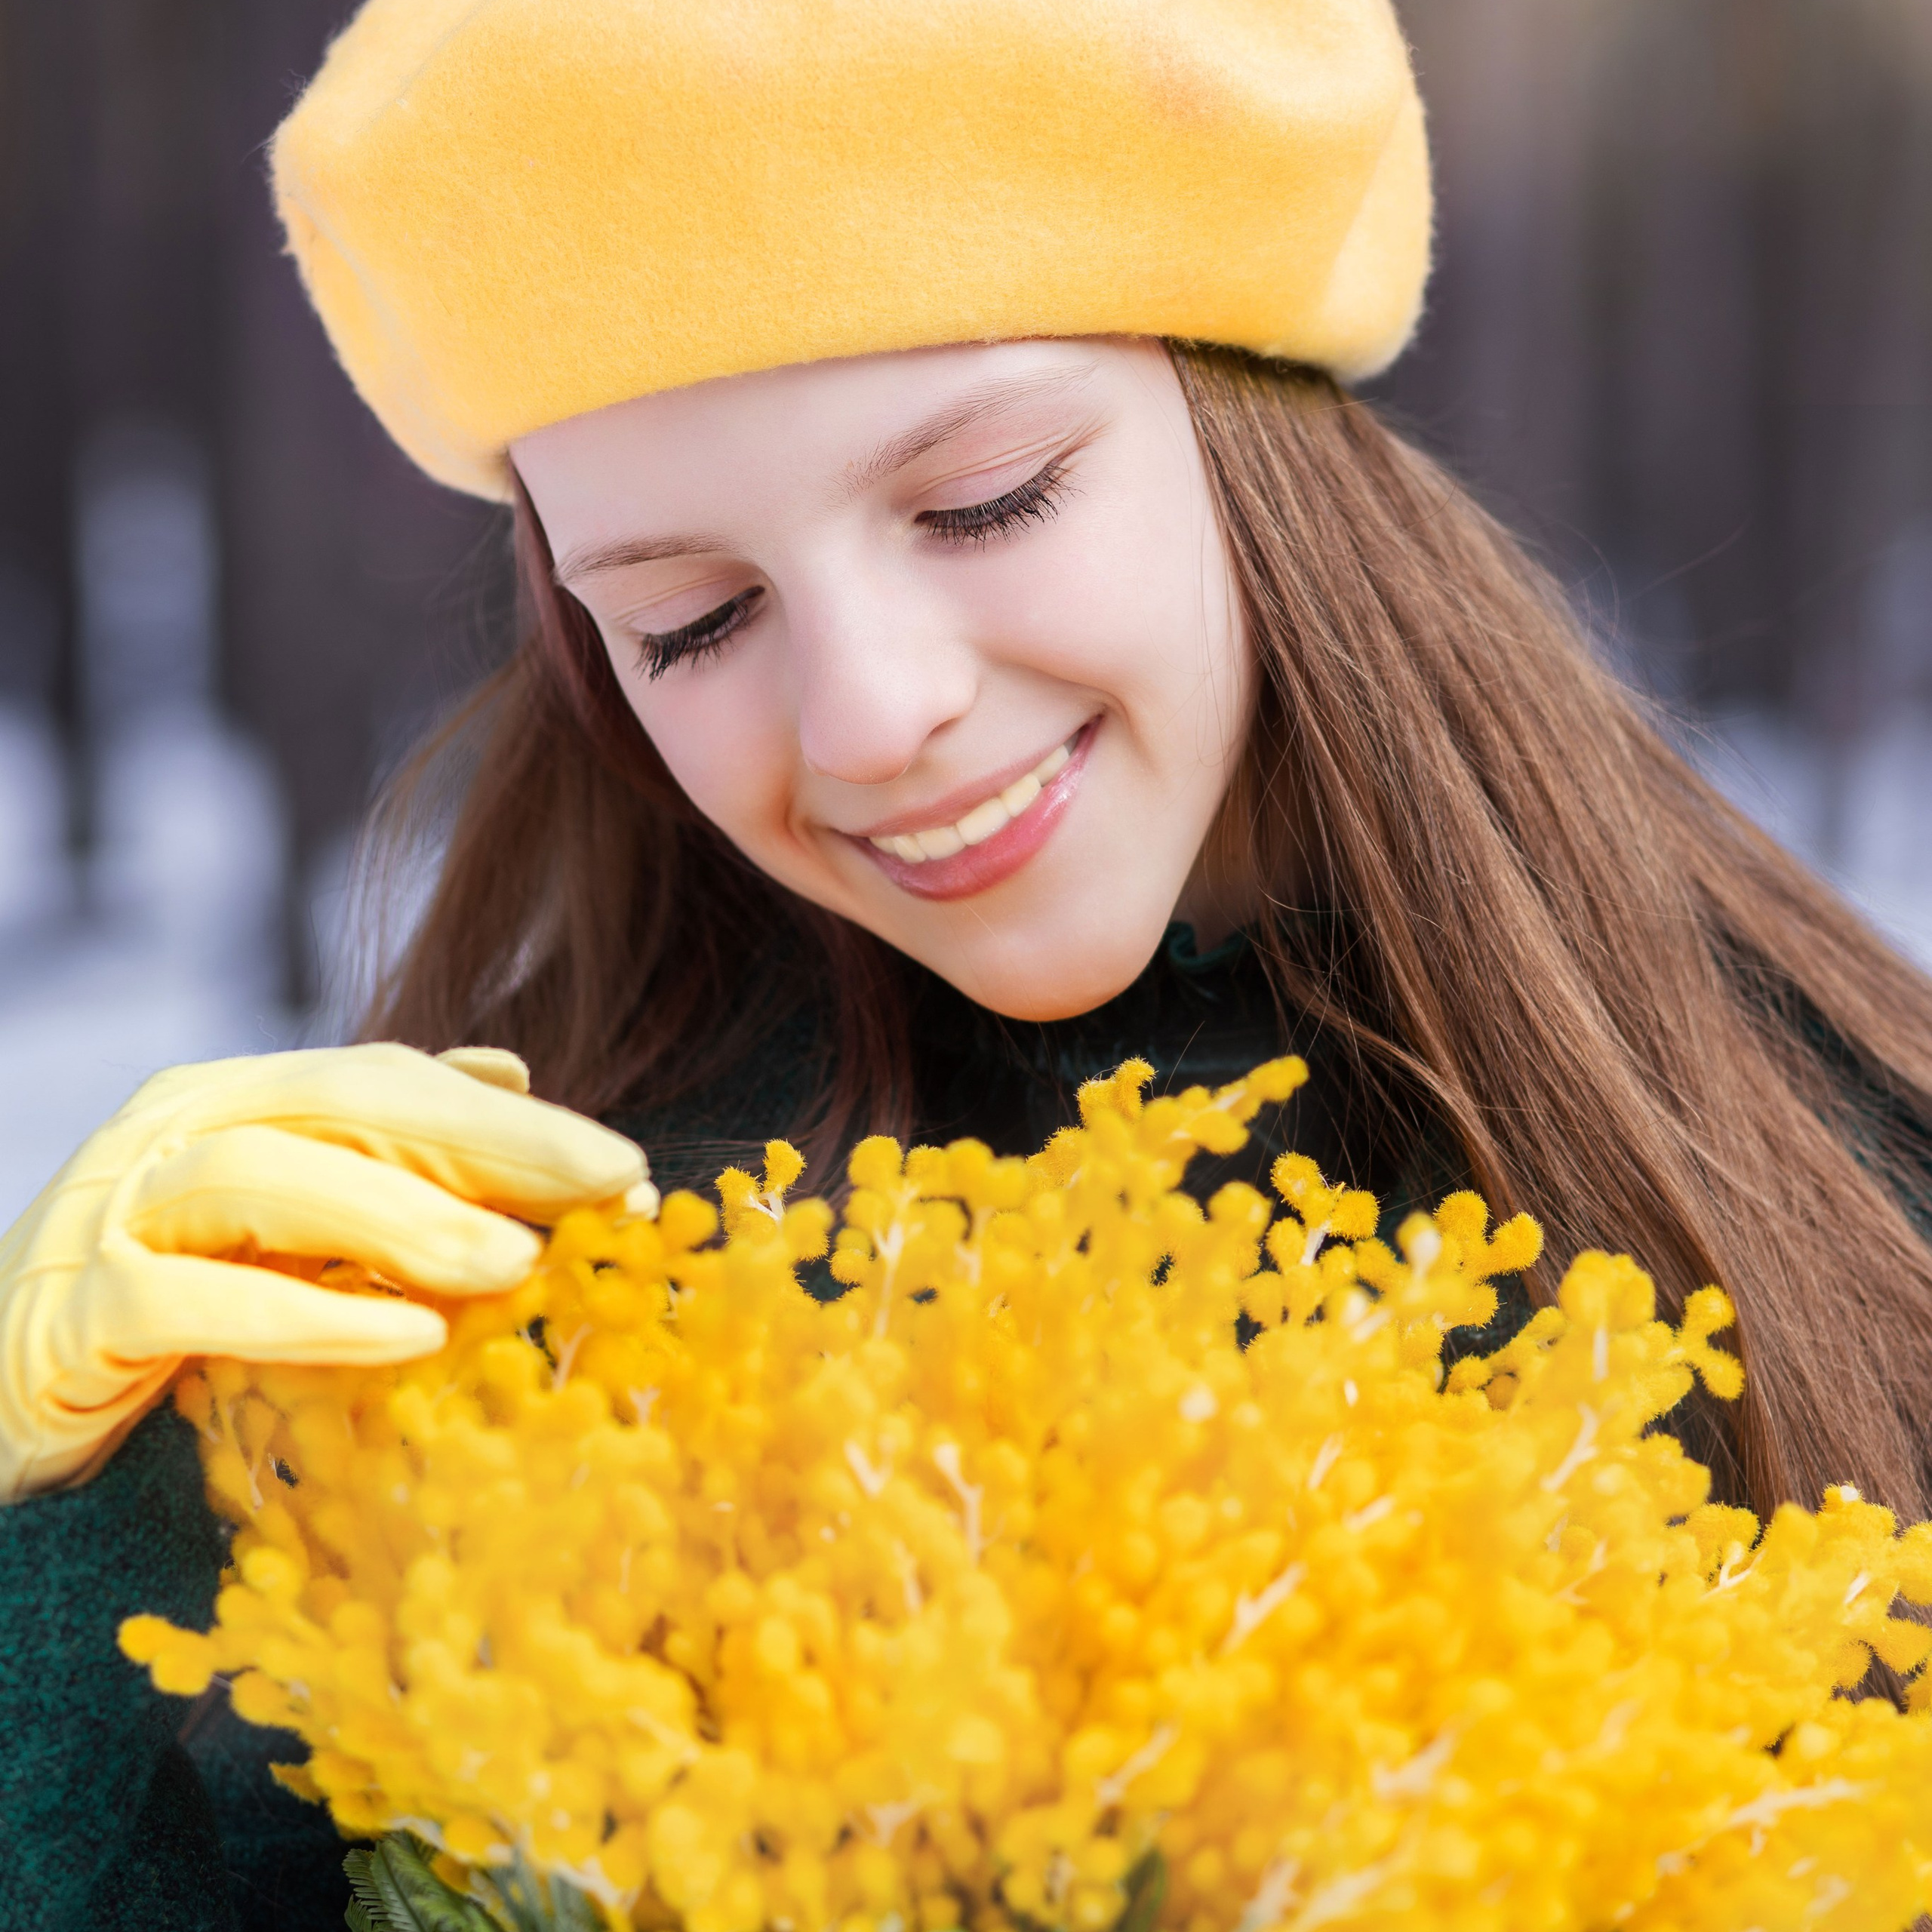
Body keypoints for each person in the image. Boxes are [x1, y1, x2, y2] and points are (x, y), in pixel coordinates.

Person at [5, 2, 1932, 1927]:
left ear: (1241, 406)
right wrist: (58, 1551)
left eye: (983, 499)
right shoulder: (530, 1283)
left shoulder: (1851, 1180)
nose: (869, 714)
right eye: (691, 621)